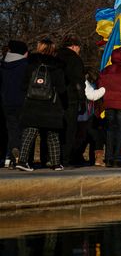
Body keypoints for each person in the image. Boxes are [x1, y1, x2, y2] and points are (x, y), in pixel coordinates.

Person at [16, 38, 67, 171]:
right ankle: (56, 163)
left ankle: (22, 161)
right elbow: (61, 88)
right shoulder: (57, 66)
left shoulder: (30, 64)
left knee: (29, 132)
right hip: (51, 104)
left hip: (32, 103)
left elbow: (23, 85)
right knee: (53, 134)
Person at [56, 36, 85, 165]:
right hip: (71, 98)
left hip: (56, 98)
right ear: (74, 46)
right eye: (79, 48)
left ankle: (53, 157)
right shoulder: (75, 59)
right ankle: (66, 158)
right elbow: (79, 82)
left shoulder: (56, 57)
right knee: (70, 130)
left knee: (56, 130)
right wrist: (82, 99)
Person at [1, 40, 28, 168]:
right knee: (23, 130)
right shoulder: (25, 65)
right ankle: (20, 156)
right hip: (22, 101)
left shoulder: (3, 64)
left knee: (11, 130)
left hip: (6, 102)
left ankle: (9, 156)